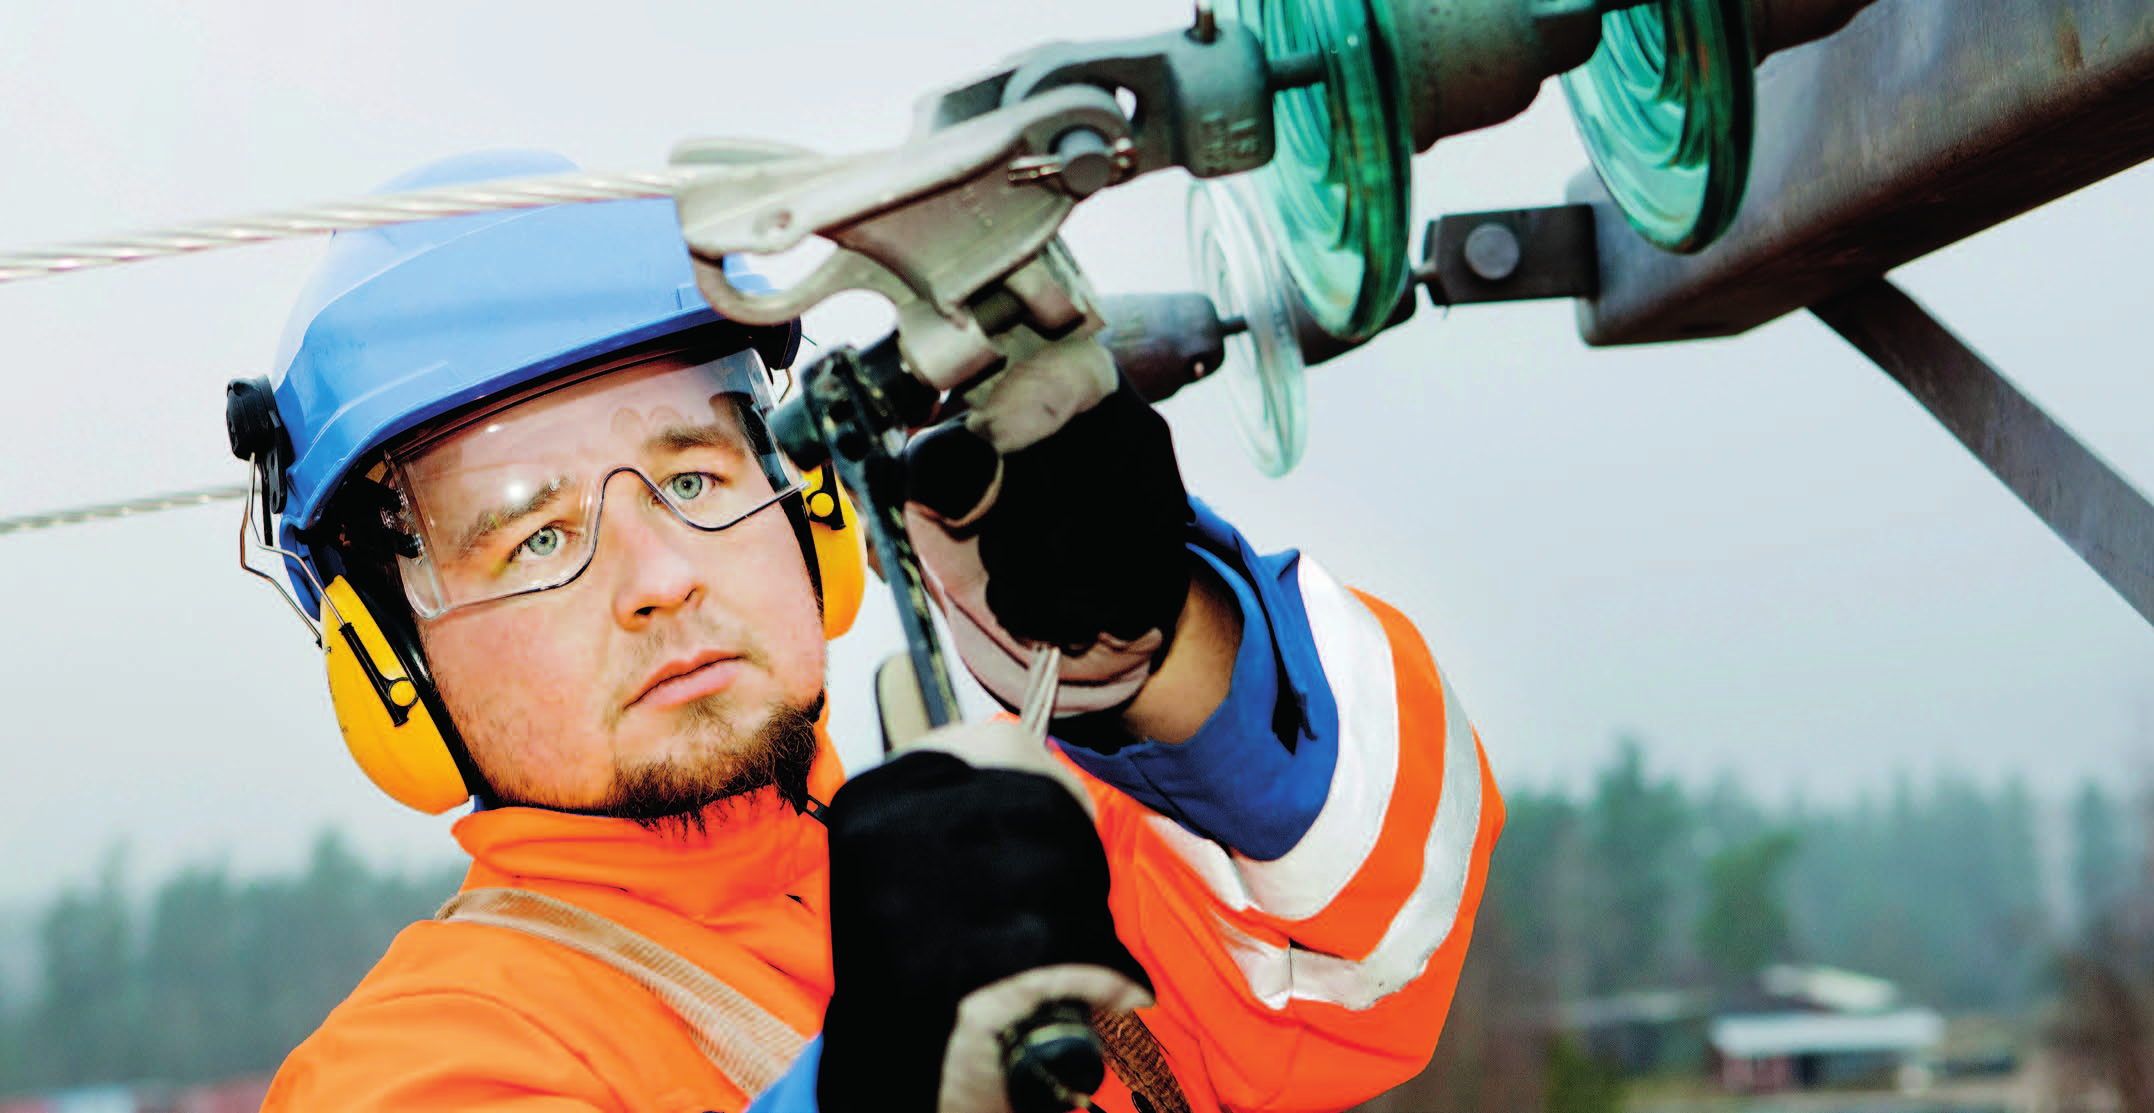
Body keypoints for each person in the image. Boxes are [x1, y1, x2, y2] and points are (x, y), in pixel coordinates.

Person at [244, 150, 1502, 1113]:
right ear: (384, 665)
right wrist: (874, 1085)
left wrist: (1158, 652)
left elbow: (1369, 953)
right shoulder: (422, 1058)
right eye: (535, 537)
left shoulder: (1033, 842)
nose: (661, 575)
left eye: (691, 478)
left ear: (818, 513)